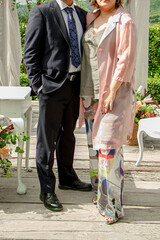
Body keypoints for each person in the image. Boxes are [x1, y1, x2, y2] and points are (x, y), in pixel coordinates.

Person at [23, 0, 92, 212]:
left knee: (68, 135)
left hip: (75, 85)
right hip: (51, 88)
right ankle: (46, 189)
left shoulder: (82, 15)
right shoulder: (42, 12)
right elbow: (30, 53)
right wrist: (39, 86)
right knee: (47, 140)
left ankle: (67, 177)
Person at [80, 0, 137, 224]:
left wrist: (112, 91)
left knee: (109, 148)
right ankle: (100, 193)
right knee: (94, 146)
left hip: (113, 94)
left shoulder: (125, 20)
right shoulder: (89, 18)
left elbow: (127, 59)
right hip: (88, 93)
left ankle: (113, 205)